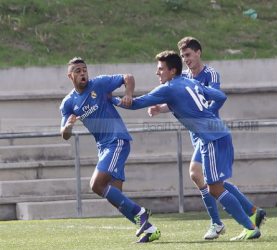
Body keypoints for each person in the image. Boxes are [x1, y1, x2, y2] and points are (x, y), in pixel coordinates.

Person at [110, 50, 264, 241]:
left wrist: (110, 99)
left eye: (160, 69)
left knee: (215, 188)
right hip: (218, 134)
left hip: (212, 139)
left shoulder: (168, 88)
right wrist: (206, 115)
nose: (157, 73)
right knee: (215, 185)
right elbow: (220, 97)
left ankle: (249, 227)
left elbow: (134, 104)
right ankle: (249, 219)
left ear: (173, 71)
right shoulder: (191, 81)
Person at [59, 57, 161, 244]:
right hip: (104, 147)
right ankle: (150, 230)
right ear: (70, 76)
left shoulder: (99, 84)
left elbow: (127, 77)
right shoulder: (68, 103)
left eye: (84, 69)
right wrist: (68, 126)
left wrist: (129, 94)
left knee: (96, 185)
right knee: (115, 196)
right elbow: (64, 134)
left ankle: (141, 213)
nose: (83, 73)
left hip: (117, 141)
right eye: (78, 71)